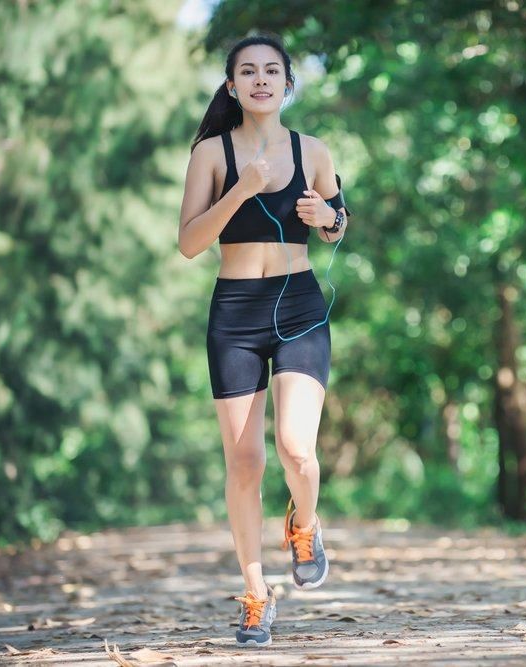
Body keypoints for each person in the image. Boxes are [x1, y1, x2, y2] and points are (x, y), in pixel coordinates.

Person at [178, 34, 349, 648]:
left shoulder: (313, 150)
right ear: (232, 86)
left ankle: (305, 525)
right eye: (247, 71)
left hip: (300, 305)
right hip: (235, 314)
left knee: (297, 449)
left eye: (271, 71)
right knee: (245, 461)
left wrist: (329, 219)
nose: (260, 80)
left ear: (286, 85)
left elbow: (338, 221)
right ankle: (256, 595)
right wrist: (242, 189)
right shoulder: (212, 154)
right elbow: (189, 243)